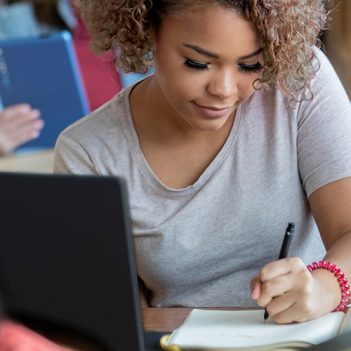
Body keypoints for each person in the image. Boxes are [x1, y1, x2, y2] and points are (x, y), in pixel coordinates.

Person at [54, 0, 351, 324]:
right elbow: (111, 315)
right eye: (198, 63)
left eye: (250, 65)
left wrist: (324, 287)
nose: (223, 90)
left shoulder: (299, 86)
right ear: (146, 30)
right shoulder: (87, 152)